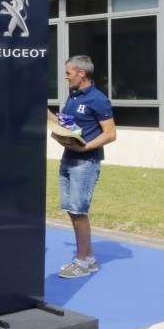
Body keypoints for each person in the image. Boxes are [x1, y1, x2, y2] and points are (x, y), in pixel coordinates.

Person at [48, 55, 116, 279]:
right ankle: (89, 258)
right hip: (69, 159)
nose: (66, 77)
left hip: (85, 163)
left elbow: (110, 134)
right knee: (72, 210)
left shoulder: (98, 99)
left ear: (81, 73)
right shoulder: (73, 97)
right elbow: (66, 125)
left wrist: (85, 148)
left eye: (68, 73)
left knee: (79, 211)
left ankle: (82, 261)